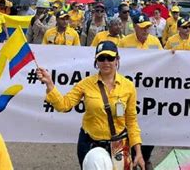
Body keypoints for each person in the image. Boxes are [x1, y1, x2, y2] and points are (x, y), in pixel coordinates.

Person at [36, 41, 145, 169]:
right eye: (101, 58)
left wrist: (138, 152)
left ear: (117, 60)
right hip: (90, 144)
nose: (106, 62)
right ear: (96, 61)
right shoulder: (86, 84)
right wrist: (49, 84)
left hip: (119, 146)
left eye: (110, 58)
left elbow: (132, 122)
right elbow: (63, 105)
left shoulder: (128, 86)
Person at [119, 13, 161, 169]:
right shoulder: (124, 42)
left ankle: (146, 156)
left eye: (148, 28)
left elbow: (163, 63)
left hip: (149, 92)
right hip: (129, 91)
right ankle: (130, 157)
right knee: (128, 123)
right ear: (135, 27)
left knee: (150, 126)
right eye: (142, 28)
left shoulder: (155, 42)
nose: (146, 31)